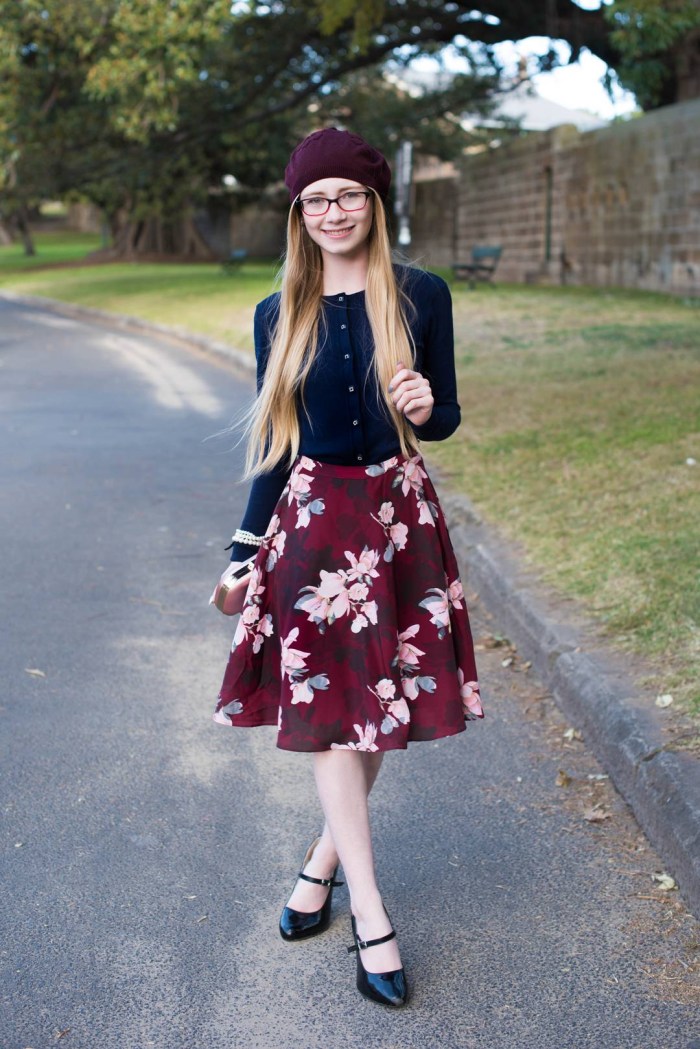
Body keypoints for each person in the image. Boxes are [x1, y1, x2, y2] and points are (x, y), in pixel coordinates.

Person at [211, 127, 483, 1008]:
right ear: (299, 212)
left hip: (399, 521)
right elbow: (275, 449)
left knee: (379, 701)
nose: (333, 212)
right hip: (315, 532)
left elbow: (443, 418)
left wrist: (427, 406)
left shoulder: (421, 294)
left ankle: (323, 862)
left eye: (349, 195)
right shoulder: (278, 312)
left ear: (374, 202)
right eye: (316, 199)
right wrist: (243, 553)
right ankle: (370, 912)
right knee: (336, 715)